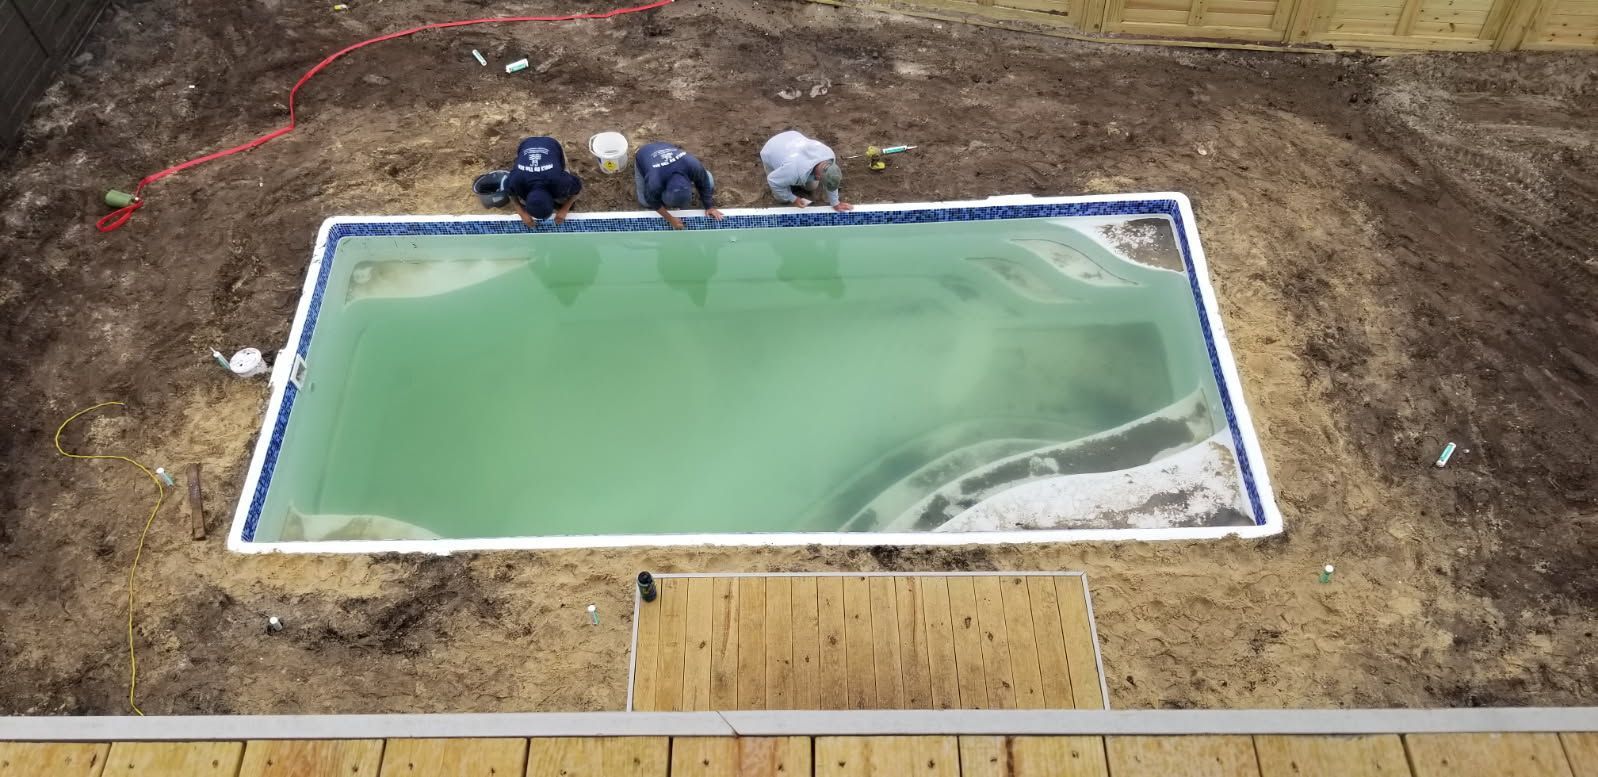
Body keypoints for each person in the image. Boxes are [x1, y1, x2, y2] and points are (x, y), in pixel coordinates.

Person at [633, 142, 725, 230]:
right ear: (663, 190)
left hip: (665, 146)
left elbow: (704, 181)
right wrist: (670, 219)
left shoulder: (693, 165)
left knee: (709, 181)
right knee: (645, 201)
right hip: (644, 154)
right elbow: (652, 200)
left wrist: (709, 207)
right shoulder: (655, 181)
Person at [760, 130, 852, 212]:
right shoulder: (793, 170)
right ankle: (786, 182)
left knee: (811, 187)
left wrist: (835, 203)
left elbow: (831, 179)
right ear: (819, 177)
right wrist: (793, 199)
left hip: (792, 139)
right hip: (771, 149)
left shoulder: (830, 156)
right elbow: (773, 180)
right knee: (781, 198)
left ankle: (789, 181)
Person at [503, 136, 583, 228]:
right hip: (525, 144)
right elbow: (509, 193)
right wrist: (521, 212)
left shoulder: (561, 183)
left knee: (564, 195)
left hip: (552, 145)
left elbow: (578, 189)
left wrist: (565, 209)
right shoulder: (515, 182)